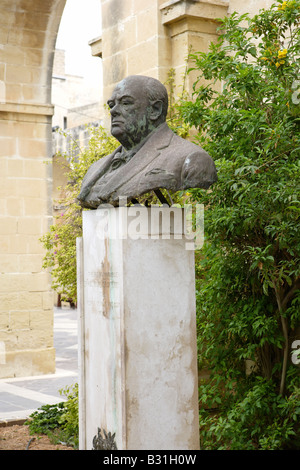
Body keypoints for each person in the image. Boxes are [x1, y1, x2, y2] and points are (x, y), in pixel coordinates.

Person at [77, 75, 217, 208]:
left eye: (125, 103)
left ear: (155, 110)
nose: (113, 111)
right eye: (112, 105)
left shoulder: (192, 159)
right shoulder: (94, 169)